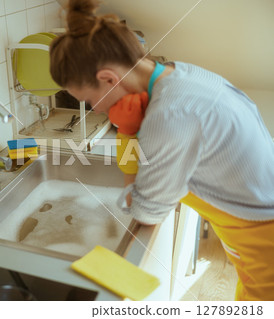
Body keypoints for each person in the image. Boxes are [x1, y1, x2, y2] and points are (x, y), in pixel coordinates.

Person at [49, 0, 274, 301]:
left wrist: (127, 133)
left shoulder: (169, 115)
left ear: (108, 78)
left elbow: (146, 211)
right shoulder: (179, 73)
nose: (95, 109)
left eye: (89, 99)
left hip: (263, 237)